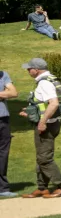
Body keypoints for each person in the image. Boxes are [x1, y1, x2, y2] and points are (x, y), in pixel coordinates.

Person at [18, 58, 61, 198]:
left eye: (29, 68)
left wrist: (42, 122)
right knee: (41, 157)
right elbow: (44, 104)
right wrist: (30, 111)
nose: (28, 70)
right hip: (52, 122)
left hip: (47, 125)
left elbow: (53, 104)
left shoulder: (44, 83)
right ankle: (42, 188)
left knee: (45, 159)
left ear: (37, 69)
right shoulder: (50, 79)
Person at [0, 68, 18, 199]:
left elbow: (13, 92)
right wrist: (3, 93)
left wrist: (7, 93)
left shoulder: (3, 74)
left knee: (3, 154)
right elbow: (8, 92)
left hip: (3, 119)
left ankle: (2, 188)